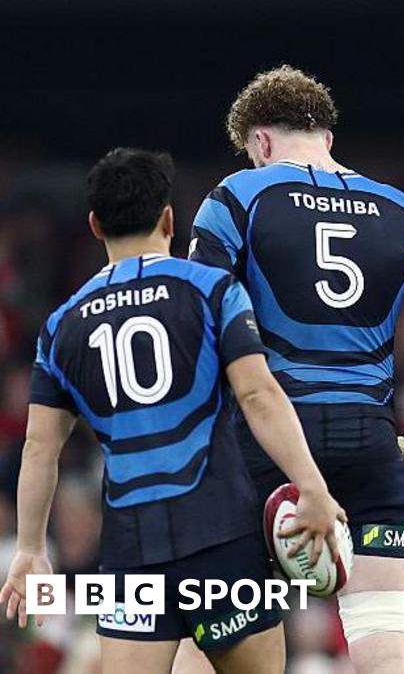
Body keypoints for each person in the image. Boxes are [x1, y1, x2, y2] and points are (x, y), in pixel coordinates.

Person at [188, 65, 404, 674]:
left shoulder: (236, 198)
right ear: (327, 137)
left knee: (213, 644)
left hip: (268, 443)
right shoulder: (402, 210)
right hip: (370, 442)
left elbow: (200, 328)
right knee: (384, 649)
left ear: (258, 142)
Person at [0, 148, 344, 673]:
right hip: (221, 535)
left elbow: (40, 447)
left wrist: (29, 548)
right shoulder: (211, 289)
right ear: (169, 218)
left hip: (131, 552)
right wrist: (312, 486)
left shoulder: (61, 325)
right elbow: (258, 396)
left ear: (95, 226)